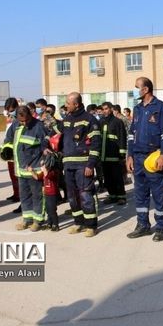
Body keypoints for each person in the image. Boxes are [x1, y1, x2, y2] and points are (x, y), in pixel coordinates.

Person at [126, 77, 163, 242]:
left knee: (158, 194)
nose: (135, 91)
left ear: (145, 90)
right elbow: (131, 134)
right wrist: (129, 155)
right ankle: (143, 225)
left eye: (137, 87)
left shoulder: (161, 108)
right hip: (137, 157)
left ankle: (160, 227)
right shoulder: (137, 109)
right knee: (140, 194)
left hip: (153, 157)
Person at [61, 92, 102, 237]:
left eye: (68, 103)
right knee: (72, 197)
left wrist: (90, 165)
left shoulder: (89, 120)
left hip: (83, 165)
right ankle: (79, 222)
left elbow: (96, 144)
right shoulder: (66, 119)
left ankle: (91, 225)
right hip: (68, 165)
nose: (66, 105)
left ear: (76, 104)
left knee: (85, 195)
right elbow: (56, 135)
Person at [2, 105, 49, 231]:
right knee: (24, 196)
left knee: (37, 196)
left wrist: (45, 162)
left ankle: (38, 220)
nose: (24, 123)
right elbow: (8, 140)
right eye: (21, 120)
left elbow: (45, 144)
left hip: (35, 169)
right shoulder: (15, 125)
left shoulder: (39, 126)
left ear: (30, 115)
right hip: (20, 168)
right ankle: (27, 219)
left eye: (26, 120)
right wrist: (5, 149)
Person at [100, 102, 128, 205]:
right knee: (107, 178)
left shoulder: (117, 122)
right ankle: (112, 195)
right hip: (103, 155)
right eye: (103, 109)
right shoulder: (101, 122)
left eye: (106, 109)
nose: (104, 111)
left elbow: (122, 138)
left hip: (114, 155)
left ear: (111, 109)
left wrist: (122, 154)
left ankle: (121, 196)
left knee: (117, 177)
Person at [3, 97, 21, 213]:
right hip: (10, 149)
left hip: (18, 151)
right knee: (12, 174)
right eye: (8, 110)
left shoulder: (19, 118)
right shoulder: (10, 118)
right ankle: (16, 193)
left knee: (18, 176)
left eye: (11, 109)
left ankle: (21, 196)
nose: (10, 111)